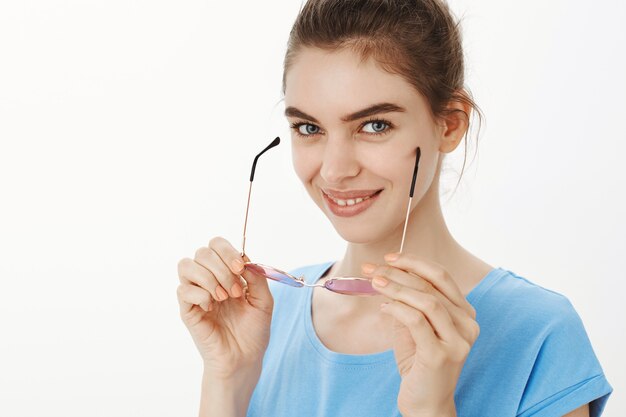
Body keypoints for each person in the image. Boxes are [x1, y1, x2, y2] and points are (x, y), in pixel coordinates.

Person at [176, 0, 613, 416]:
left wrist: (430, 409)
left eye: (374, 125)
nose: (334, 170)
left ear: (450, 123)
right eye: (309, 127)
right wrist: (228, 378)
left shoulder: (537, 336)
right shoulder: (261, 314)